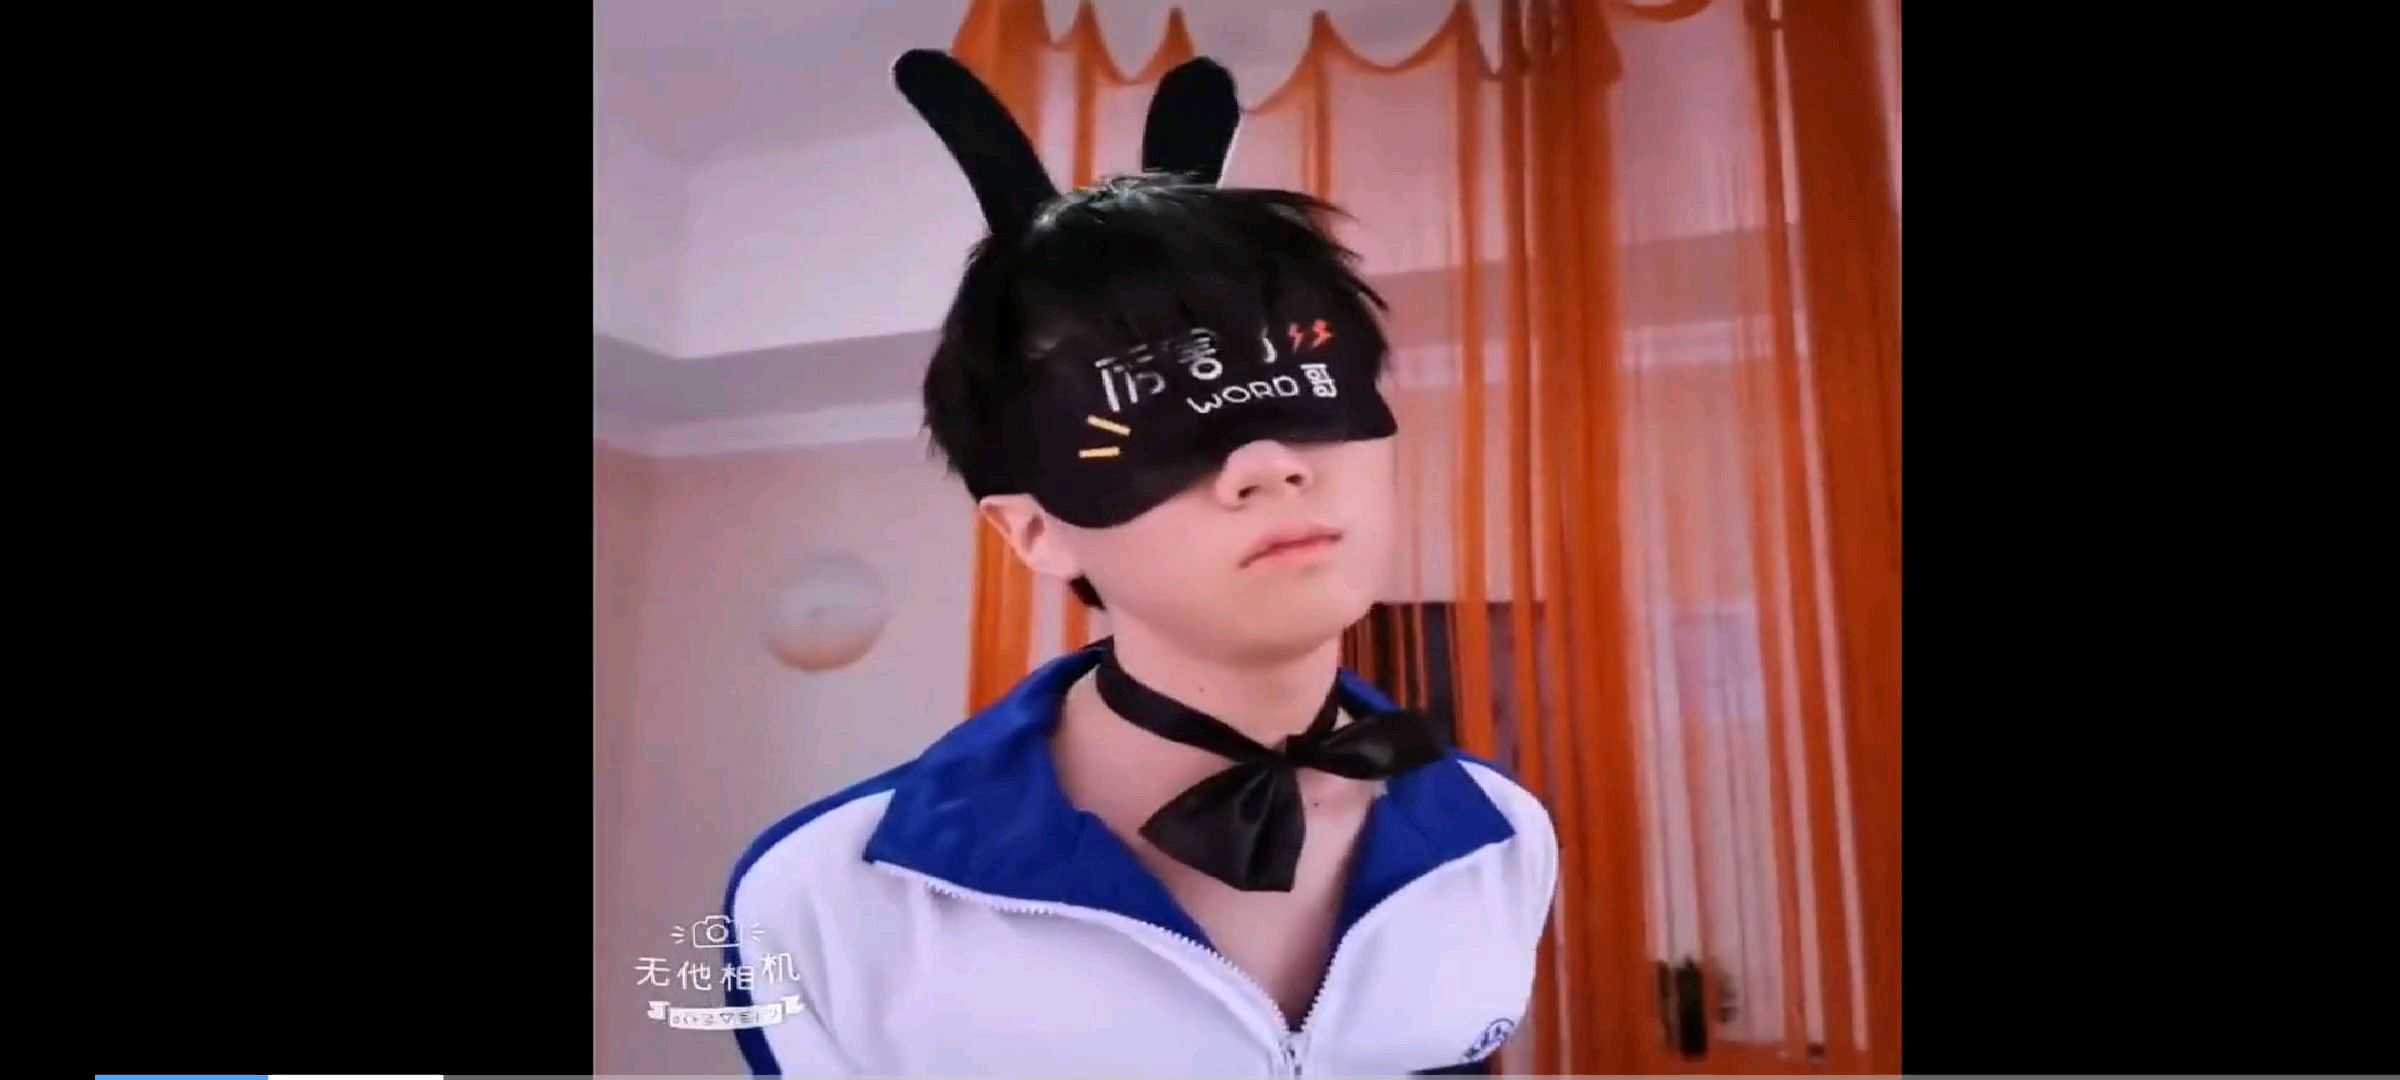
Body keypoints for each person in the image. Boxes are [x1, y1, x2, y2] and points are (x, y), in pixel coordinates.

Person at [722, 49, 1557, 1077]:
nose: (1266, 463)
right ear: (1034, 530)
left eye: (1303, 382)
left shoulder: (1503, 838)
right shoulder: (826, 900)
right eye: (1143, 419)